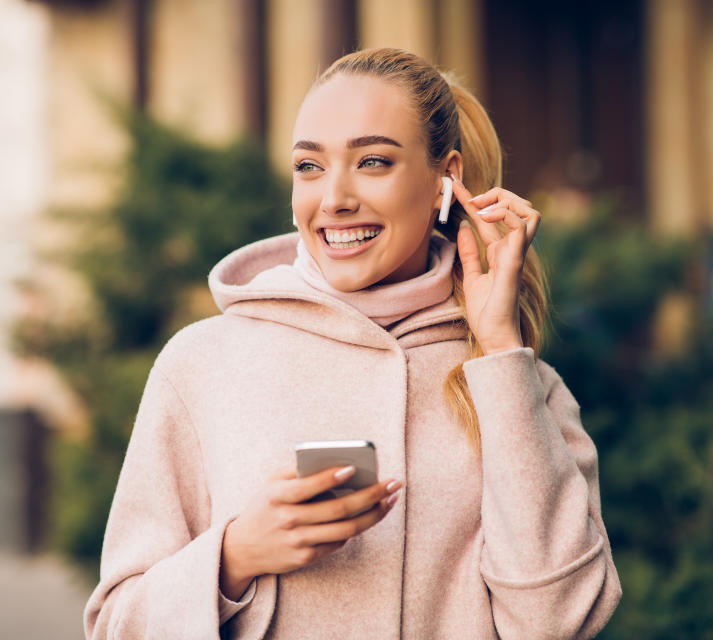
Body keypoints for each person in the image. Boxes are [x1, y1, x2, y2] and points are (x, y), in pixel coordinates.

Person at [83, 47, 621, 639]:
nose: (334, 197)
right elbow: (115, 626)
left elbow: (557, 620)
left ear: (447, 177)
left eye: (372, 161)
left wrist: (499, 350)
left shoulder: (523, 386)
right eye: (309, 166)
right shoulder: (202, 363)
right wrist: (235, 558)